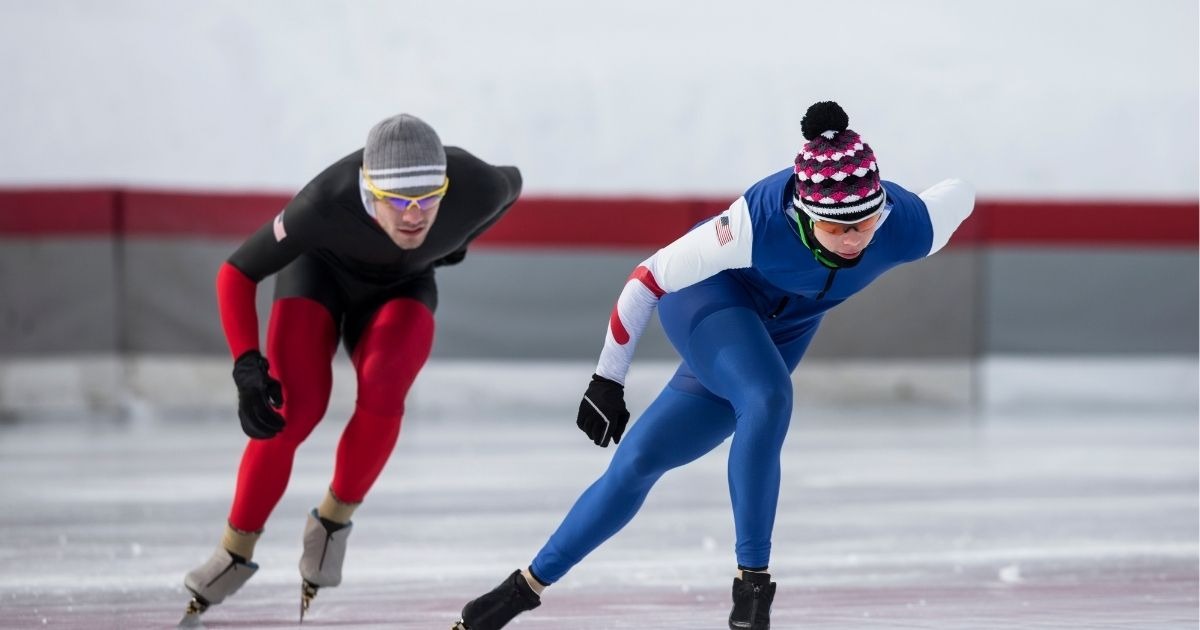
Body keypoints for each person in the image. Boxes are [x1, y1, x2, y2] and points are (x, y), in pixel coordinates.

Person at [452, 101, 975, 630]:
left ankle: (517, 591)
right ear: (803, 215)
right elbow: (647, 280)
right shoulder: (754, 223)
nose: (855, 240)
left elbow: (961, 192)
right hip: (711, 301)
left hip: (781, 330)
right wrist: (607, 378)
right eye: (837, 228)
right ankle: (753, 591)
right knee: (767, 397)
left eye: (864, 222)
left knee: (638, 461)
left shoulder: (907, 227)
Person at [179, 114, 522, 625]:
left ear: (447, 186)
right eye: (398, 202)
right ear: (368, 189)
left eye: (429, 200)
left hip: (403, 288)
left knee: (386, 384)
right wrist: (247, 365)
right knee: (295, 410)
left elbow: (513, 186)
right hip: (317, 277)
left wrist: (460, 238)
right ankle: (233, 549)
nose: (414, 217)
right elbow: (236, 273)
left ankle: (333, 527)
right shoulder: (324, 202)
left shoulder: (479, 186)